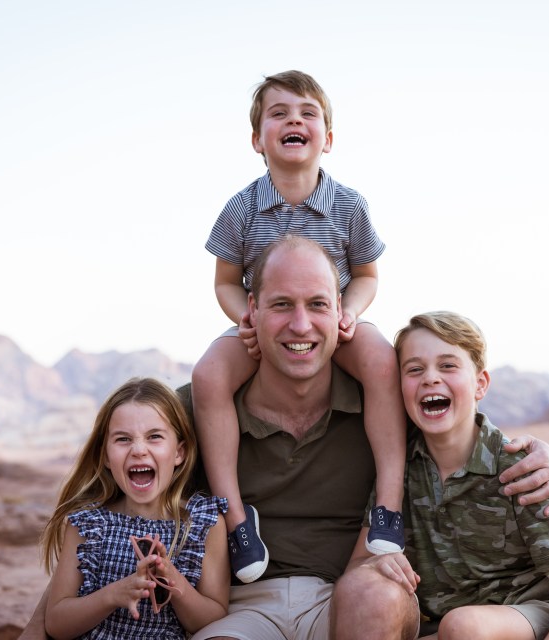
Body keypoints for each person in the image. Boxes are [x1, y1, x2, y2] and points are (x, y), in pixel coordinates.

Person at [18, 236, 549, 640]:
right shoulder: (199, 413)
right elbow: (107, 513)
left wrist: (548, 454)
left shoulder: (384, 406)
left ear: (342, 316)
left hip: (350, 598)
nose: (301, 325)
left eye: (317, 305)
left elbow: (459, 427)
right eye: (281, 304)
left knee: (375, 593)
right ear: (251, 312)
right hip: (240, 608)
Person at [192, 70, 408, 582]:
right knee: (208, 376)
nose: (295, 120)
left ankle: (390, 506)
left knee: (381, 359)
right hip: (265, 326)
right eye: (280, 113)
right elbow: (224, 281)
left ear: (327, 139)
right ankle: (237, 521)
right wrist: (241, 316)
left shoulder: (349, 205)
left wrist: (348, 312)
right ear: (257, 139)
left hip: (332, 323)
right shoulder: (242, 208)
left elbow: (367, 274)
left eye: (308, 113)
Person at [349, 311, 549, 640]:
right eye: (414, 369)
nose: (430, 378)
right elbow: (357, 566)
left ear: (480, 384)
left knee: (463, 625)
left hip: (533, 616)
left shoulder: (518, 468)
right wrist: (375, 565)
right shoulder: (399, 468)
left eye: (448, 365)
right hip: (450, 629)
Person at [39, 377, 230, 639]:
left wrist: (172, 580)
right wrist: (113, 594)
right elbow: (56, 624)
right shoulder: (88, 524)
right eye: (123, 439)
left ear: (179, 453)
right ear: (105, 456)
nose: (139, 449)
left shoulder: (203, 523)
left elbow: (210, 619)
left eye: (154, 437)